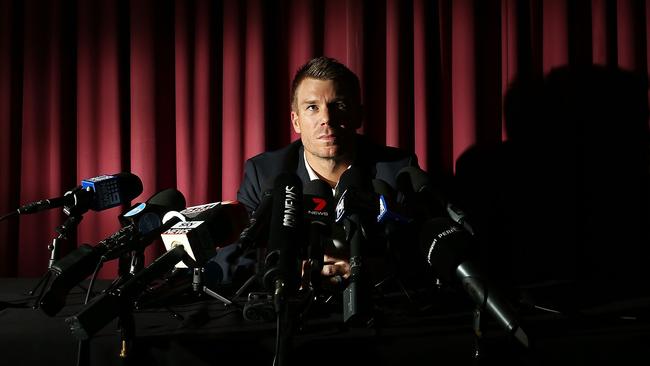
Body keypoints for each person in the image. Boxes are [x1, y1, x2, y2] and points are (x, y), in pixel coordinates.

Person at [236, 56, 419, 285]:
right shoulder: (264, 175)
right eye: (313, 107)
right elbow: (238, 259)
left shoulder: (397, 171)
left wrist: (368, 270)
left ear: (358, 115)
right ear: (296, 121)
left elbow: (421, 254)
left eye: (338, 106)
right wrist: (289, 271)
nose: (327, 119)